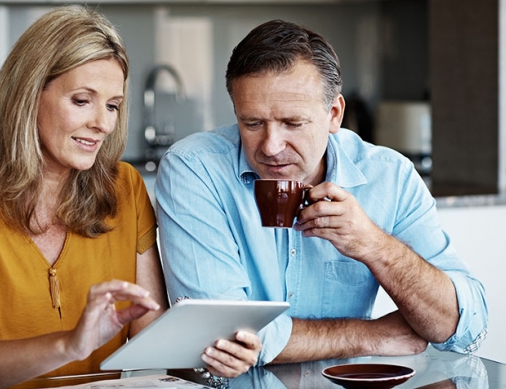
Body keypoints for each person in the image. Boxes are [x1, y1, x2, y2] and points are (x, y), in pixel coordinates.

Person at [0, 5, 260, 389]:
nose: (103, 123)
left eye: (112, 105)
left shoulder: (124, 187)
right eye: (82, 100)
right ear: (28, 95)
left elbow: (152, 338)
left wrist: (211, 361)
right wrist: (70, 344)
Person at [155, 19, 488, 366]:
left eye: (293, 123)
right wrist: (366, 335)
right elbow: (214, 333)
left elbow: (462, 325)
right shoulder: (195, 168)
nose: (270, 146)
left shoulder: (390, 176)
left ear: (334, 114)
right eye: (252, 123)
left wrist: (374, 246)